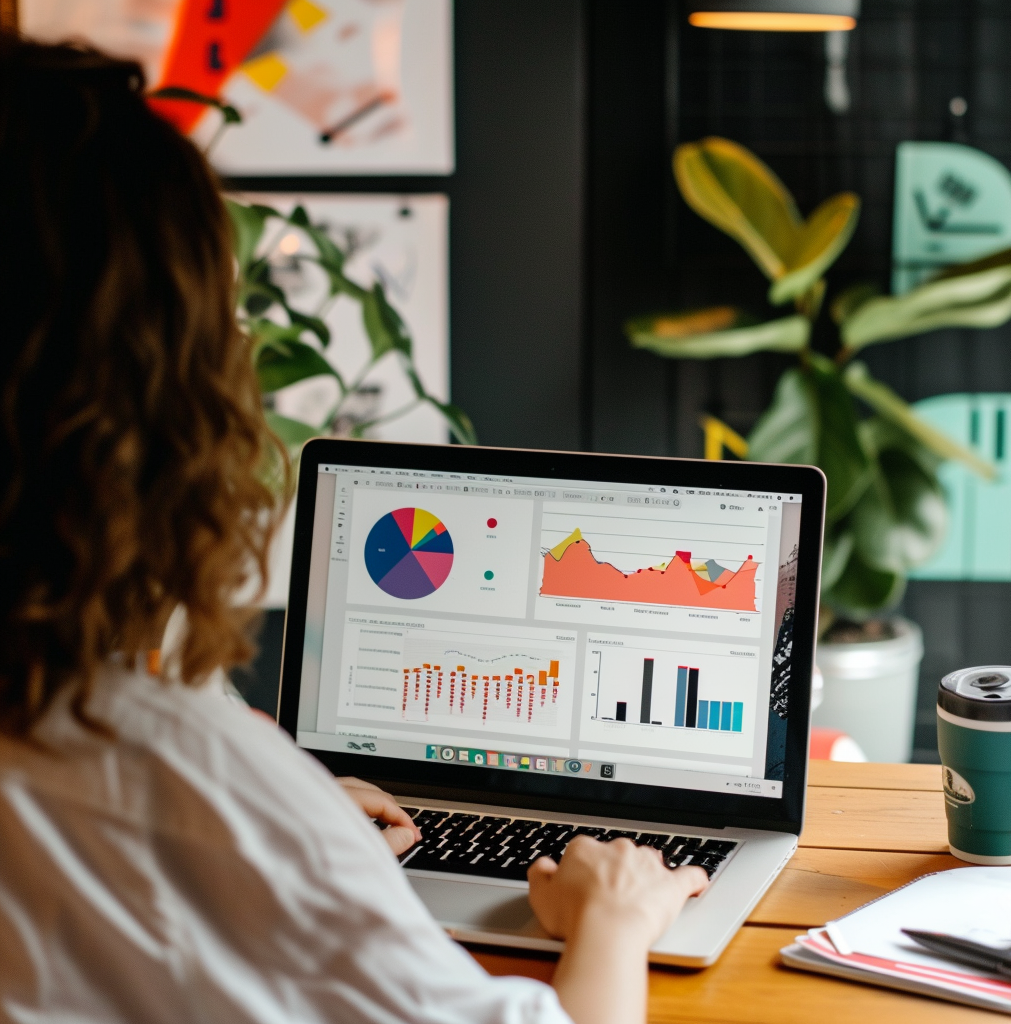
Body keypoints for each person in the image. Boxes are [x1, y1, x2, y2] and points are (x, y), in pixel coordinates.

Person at [0, 36, 708, 1024]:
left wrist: (275, 833)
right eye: (229, 321)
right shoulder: (154, 775)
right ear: (158, 405)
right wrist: (615, 920)